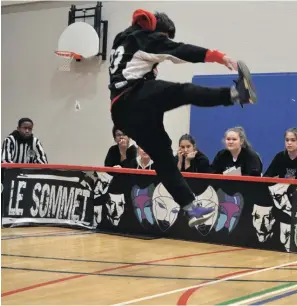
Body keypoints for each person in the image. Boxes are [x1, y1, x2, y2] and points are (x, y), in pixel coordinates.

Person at [108, 9, 257, 227]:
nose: (164, 43)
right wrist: (219, 57)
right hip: (133, 98)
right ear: (157, 31)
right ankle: (236, 94)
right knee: (183, 92)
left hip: (123, 113)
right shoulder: (144, 38)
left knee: (164, 156)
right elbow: (179, 51)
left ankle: (191, 207)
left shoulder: (123, 40)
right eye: (164, 37)